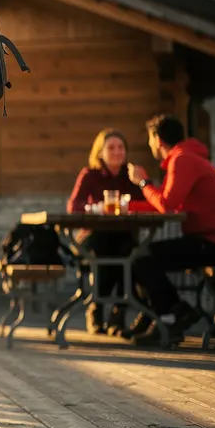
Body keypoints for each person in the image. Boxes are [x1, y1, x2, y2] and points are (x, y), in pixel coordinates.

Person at [126, 114, 215, 346]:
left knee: (142, 257)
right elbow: (167, 202)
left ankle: (172, 316)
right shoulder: (185, 158)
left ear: (157, 140)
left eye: (150, 139)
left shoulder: (182, 160)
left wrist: (142, 183)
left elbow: (166, 205)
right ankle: (166, 314)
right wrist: (127, 205)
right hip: (209, 241)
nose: (149, 145)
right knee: (139, 256)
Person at [66, 129, 145, 336]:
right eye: (111, 148)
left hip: (124, 235)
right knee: (106, 251)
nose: (117, 152)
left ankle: (118, 313)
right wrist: (95, 208)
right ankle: (98, 309)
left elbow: (146, 202)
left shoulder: (131, 176)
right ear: (100, 152)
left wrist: (139, 189)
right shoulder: (90, 174)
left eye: (121, 148)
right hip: (94, 235)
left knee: (130, 253)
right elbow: (74, 206)